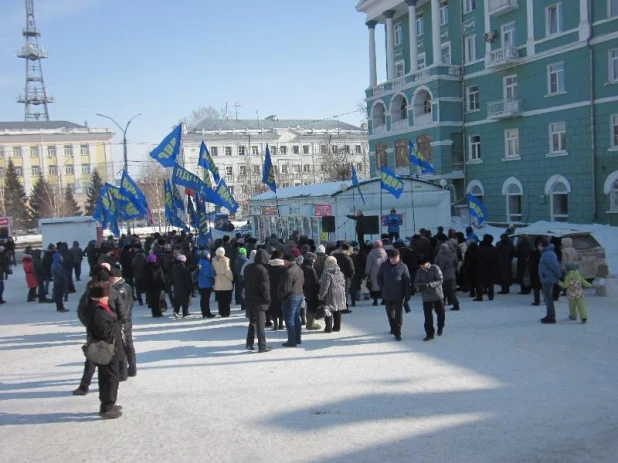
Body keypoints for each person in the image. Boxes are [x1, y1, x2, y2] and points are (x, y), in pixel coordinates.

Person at [86, 281, 125, 419]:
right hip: (107, 349)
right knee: (111, 378)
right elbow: (103, 331)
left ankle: (107, 403)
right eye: (106, 295)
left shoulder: (97, 307)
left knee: (106, 376)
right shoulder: (98, 311)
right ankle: (107, 406)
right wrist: (116, 325)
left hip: (109, 348)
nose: (108, 298)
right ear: (101, 296)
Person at [377, 249, 411, 341]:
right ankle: (393, 327)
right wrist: (382, 288)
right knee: (390, 313)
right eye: (392, 258)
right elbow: (379, 278)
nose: (393, 260)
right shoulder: (384, 266)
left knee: (398, 315)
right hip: (387, 294)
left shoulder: (403, 266)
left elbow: (407, 282)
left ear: (399, 257)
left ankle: (398, 332)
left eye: (395, 258)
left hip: (399, 295)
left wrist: (407, 295)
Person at [243, 249, 273, 353]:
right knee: (261, 325)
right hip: (260, 301)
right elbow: (265, 288)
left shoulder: (248, 268)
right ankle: (262, 346)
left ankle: (249, 343)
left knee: (252, 322)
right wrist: (268, 300)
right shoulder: (262, 270)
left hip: (249, 299)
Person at [110, 267, 136, 380]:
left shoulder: (119, 289)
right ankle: (132, 368)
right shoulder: (126, 286)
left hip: (122, 321)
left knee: (122, 346)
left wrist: (119, 320)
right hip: (126, 320)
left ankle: (124, 370)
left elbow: (121, 307)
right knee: (128, 344)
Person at [414, 255, 446, 342]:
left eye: (423, 264)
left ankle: (440, 326)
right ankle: (429, 333)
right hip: (426, 298)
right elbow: (416, 282)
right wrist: (420, 286)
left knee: (441, 313)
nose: (422, 266)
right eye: (420, 265)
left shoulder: (435, 268)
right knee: (428, 317)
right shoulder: (419, 271)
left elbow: (440, 280)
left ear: (428, 263)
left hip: (437, 295)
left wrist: (430, 285)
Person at [277, 253, 305, 347]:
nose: (283, 263)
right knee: (296, 317)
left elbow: (286, 288)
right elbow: (302, 282)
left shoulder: (289, 272)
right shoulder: (299, 269)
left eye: (284, 261)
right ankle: (297, 338)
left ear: (287, 261)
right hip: (299, 295)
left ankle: (292, 340)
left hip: (290, 297)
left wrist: (280, 296)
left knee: (289, 319)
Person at [318, 256, 347, 333]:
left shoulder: (326, 274)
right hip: (340, 293)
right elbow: (343, 283)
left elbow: (325, 286)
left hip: (331, 294)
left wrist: (321, 296)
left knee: (328, 310)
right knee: (338, 309)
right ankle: (337, 327)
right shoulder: (340, 273)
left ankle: (328, 328)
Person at [539, 239, 562, 324]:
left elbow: (555, 266)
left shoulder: (547, 254)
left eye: (539, 245)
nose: (538, 247)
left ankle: (551, 317)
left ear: (542, 245)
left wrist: (559, 275)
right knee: (547, 299)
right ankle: (549, 315)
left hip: (548, 279)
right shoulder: (547, 253)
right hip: (546, 278)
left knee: (548, 299)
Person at [434, 242, 460, 311]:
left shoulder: (442, 256)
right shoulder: (453, 254)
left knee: (448, 291)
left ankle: (456, 304)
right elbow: (456, 264)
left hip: (444, 275)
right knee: (446, 290)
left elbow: (440, 267)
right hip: (452, 275)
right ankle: (442, 304)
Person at [332, 243, 355, 313]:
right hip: (345, 278)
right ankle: (343, 308)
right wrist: (351, 276)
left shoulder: (333, 257)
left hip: (335, 277)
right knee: (344, 293)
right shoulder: (347, 258)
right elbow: (351, 269)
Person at [474, 234, 497, 302]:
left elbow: (476, 259)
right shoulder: (493, 249)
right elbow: (496, 259)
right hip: (491, 267)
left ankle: (480, 296)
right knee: (490, 282)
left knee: (480, 282)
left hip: (481, 267)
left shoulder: (479, 249)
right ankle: (491, 295)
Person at [301, 252, 321, 330]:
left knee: (309, 306)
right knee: (312, 307)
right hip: (311, 291)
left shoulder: (303, 267)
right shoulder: (309, 269)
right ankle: (310, 324)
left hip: (306, 290)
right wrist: (317, 289)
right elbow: (312, 282)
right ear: (311, 260)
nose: (314, 261)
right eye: (313, 260)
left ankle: (310, 322)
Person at [267, 250, 287, 329]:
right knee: (281, 306)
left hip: (271, 289)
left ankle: (275, 324)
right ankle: (281, 324)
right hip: (282, 289)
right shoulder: (284, 268)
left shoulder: (269, 267)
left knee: (273, 306)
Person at [143, 254, 166, 318]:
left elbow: (145, 279)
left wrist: (145, 286)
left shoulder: (146, 267)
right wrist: (163, 286)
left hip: (150, 287)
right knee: (158, 299)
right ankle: (159, 312)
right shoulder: (158, 267)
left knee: (152, 300)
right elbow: (161, 277)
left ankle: (154, 312)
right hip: (158, 285)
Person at [212, 247, 233, 317]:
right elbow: (227, 270)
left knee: (220, 299)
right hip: (225, 279)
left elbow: (213, 270)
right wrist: (231, 278)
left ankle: (221, 311)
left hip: (218, 279)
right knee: (226, 299)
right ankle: (226, 312)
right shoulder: (226, 260)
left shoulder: (213, 260)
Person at [365, 240, 387, 306]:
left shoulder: (371, 253)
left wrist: (367, 272)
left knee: (374, 286)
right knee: (383, 285)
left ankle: (375, 301)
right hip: (383, 271)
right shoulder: (384, 253)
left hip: (373, 271)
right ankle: (384, 300)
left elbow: (369, 264)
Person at [171, 254, 193, 318]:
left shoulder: (173, 268)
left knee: (177, 299)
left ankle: (176, 311)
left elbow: (171, 278)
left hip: (176, 287)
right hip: (184, 287)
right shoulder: (185, 269)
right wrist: (191, 288)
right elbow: (188, 280)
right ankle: (185, 312)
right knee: (185, 300)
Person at [197, 250, 216, 318]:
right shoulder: (206, 263)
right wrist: (213, 274)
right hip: (207, 283)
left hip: (201, 282)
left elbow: (200, 271)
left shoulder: (200, 261)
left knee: (203, 299)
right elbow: (207, 273)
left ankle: (203, 312)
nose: (209, 255)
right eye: (208, 254)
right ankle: (207, 313)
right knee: (206, 299)